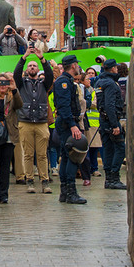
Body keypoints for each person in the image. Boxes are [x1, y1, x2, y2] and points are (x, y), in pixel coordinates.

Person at [14, 48, 54, 194]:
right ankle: (29, 180)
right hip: (25, 121)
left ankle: (45, 181)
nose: (32, 67)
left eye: (34, 66)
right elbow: (16, 73)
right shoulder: (22, 83)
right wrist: (24, 57)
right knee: (28, 154)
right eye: (30, 66)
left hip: (41, 122)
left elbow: (49, 74)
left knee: (42, 155)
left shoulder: (44, 83)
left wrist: (42, 59)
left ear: (38, 69)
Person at [53, 54, 87, 204]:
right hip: (67, 123)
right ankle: (70, 192)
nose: (78, 67)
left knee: (67, 157)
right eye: (77, 65)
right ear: (73, 66)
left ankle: (65, 192)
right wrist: (73, 125)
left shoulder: (67, 81)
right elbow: (63, 105)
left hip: (67, 122)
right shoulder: (63, 82)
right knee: (73, 156)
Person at [0, 72, 20, 204]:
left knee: (5, 166)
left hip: (8, 134)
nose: (2, 85)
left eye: (5, 82)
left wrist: (14, 88)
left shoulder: (11, 96)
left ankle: (3, 194)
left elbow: (19, 105)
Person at [95, 59, 127, 189]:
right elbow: (109, 104)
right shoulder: (111, 84)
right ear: (113, 69)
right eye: (116, 67)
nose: (117, 69)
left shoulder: (100, 82)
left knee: (108, 148)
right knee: (120, 148)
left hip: (103, 119)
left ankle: (108, 179)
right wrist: (114, 125)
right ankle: (114, 177)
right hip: (110, 120)